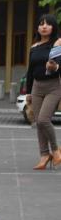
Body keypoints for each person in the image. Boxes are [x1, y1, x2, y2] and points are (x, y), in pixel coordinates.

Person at [25, 14, 61, 170]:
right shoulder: (34, 47)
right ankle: (44, 155)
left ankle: (56, 150)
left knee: (43, 120)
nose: (44, 26)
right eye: (41, 24)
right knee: (38, 123)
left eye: (47, 24)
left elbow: (59, 65)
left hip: (54, 86)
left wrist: (55, 67)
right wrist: (28, 91)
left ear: (53, 27)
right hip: (37, 87)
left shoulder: (58, 43)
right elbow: (30, 70)